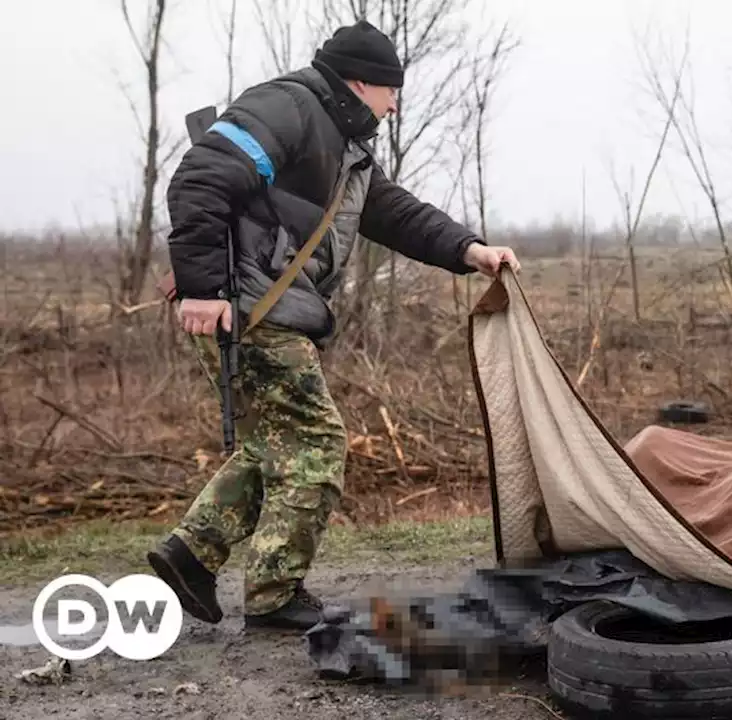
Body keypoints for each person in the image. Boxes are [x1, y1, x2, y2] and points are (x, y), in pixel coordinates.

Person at [146, 19, 520, 632]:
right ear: (360, 82)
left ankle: (193, 554)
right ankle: (272, 594)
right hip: (247, 308)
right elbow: (201, 178)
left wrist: (468, 250)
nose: (396, 104)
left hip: (266, 308)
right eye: (391, 91)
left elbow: (395, 213)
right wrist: (203, 289)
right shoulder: (290, 106)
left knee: (278, 442)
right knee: (315, 441)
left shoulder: (345, 144)